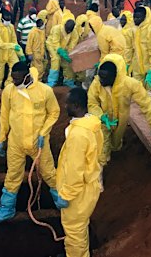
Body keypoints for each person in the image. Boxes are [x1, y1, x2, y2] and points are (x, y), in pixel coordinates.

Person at [0, 62, 65, 222]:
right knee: (13, 175)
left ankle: (60, 201)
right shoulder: (9, 91)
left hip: (38, 143)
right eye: (12, 78)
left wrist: (43, 132)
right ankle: (6, 207)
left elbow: (54, 112)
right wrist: (2, 138)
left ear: (27, 76)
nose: (14, 82)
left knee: (48, 172)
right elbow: (4, 115)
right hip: (16, 143)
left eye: (17, 79)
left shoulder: (44, 91)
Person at [89, 54, 151, 164]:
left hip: (121, 120)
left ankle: (115, 153)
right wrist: (101, 116)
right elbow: (92, 103)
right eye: (100, 76)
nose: (101, 80)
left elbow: (145, 104)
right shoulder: (97, 83)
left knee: (116, 144)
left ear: (116, 76)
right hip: (102, 120)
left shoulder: (131, 85)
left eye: (105, 78)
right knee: (102, 145)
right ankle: (100, 167)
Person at [57, 87, 103, 257]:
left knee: (74, 229)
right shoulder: (92, 123)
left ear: (75, 106)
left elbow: (75, 169)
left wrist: (66, 194)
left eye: (67, 104)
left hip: (78, 191)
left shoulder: (78, 135)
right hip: (88, 185)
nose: (64, 107)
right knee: (80, 227)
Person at [125, 7, 151, 94]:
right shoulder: (133, 31)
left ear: (145, 17)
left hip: (150, 68)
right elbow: (129, 49)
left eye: (138, 17)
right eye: (134, 17)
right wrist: (127, 63)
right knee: (138, 93)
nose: (135, 20)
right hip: (137, 68)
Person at [0, 11, 25, 91]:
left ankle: (8, 87)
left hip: (10, 52)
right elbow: (0, 44)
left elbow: (14, 40)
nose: (8, 22)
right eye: (7, 20)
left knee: (15, 68)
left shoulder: (11, 27)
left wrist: (20, 54)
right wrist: (12, 46)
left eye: (9, 20)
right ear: (2, 20)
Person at [46, 14, 79, 87]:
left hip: (64, 47)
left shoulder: (74, 33)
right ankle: (52, 81)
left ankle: (68, 81)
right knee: (56, 59)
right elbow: (55, 42)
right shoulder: (56, 29)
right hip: (52, 45)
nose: (68, 32)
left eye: (70, 31)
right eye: (67, 30)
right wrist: (60, 51)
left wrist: (69, 54)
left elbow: (72, 45)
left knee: (67, 63)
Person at [25, 11, 48, 79]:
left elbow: (43, 42)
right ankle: (37, 81)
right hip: (35, 54)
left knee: (39, 67)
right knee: (38, 69)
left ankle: (34, 79)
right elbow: (29, 43)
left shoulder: (42, 31)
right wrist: (29, 53)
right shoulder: (33, 32)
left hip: (41, 53)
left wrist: (44, 52)